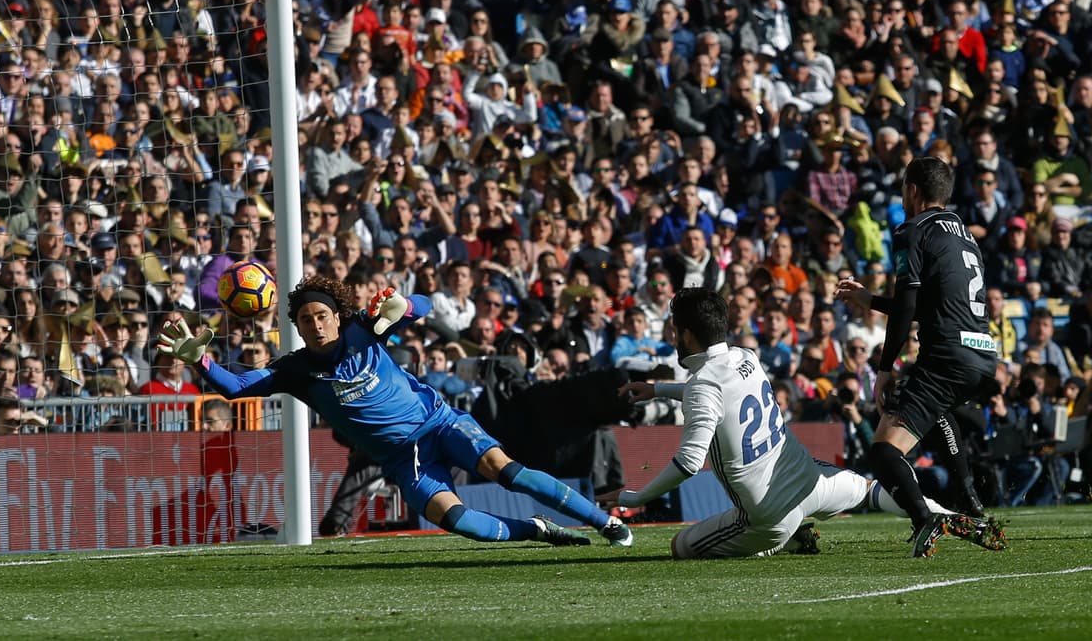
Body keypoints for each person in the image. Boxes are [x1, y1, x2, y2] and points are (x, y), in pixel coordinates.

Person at [157, 275, 633, 547]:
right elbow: (236, 387)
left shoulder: (364, 331)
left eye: (321, 316)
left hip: (439, 423)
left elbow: (419, 307)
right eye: (305, 319)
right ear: (297, 328)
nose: (316, 324)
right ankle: (536, 530)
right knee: (459, 522)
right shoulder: (297, 371)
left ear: (337, 317)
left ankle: (604, 521)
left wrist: (403, 303)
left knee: (505, 470)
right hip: (404, 459)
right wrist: (199, 361)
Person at [605, 288, 1002, 559]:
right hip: (808, 480)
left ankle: (786, 540)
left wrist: (634, 499)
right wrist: (658, 389)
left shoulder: (703, 385)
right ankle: (948, 516)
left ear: (687, 335)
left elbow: (690, 462)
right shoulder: (744, 356)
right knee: (869, 490)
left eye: (676, 329)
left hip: (768, 516)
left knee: (680, 547)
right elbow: (714, 395)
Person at [836, 157, 1007, 556]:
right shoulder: (965, 235)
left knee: (883, 451)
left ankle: (924, 518)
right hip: (983, 354)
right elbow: (928, 304)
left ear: (912, 190)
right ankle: (969, 502)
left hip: (947, 354)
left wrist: (884, 368)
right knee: (937, 411)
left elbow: (907, 306)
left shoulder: (913, 229)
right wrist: (870, 300)